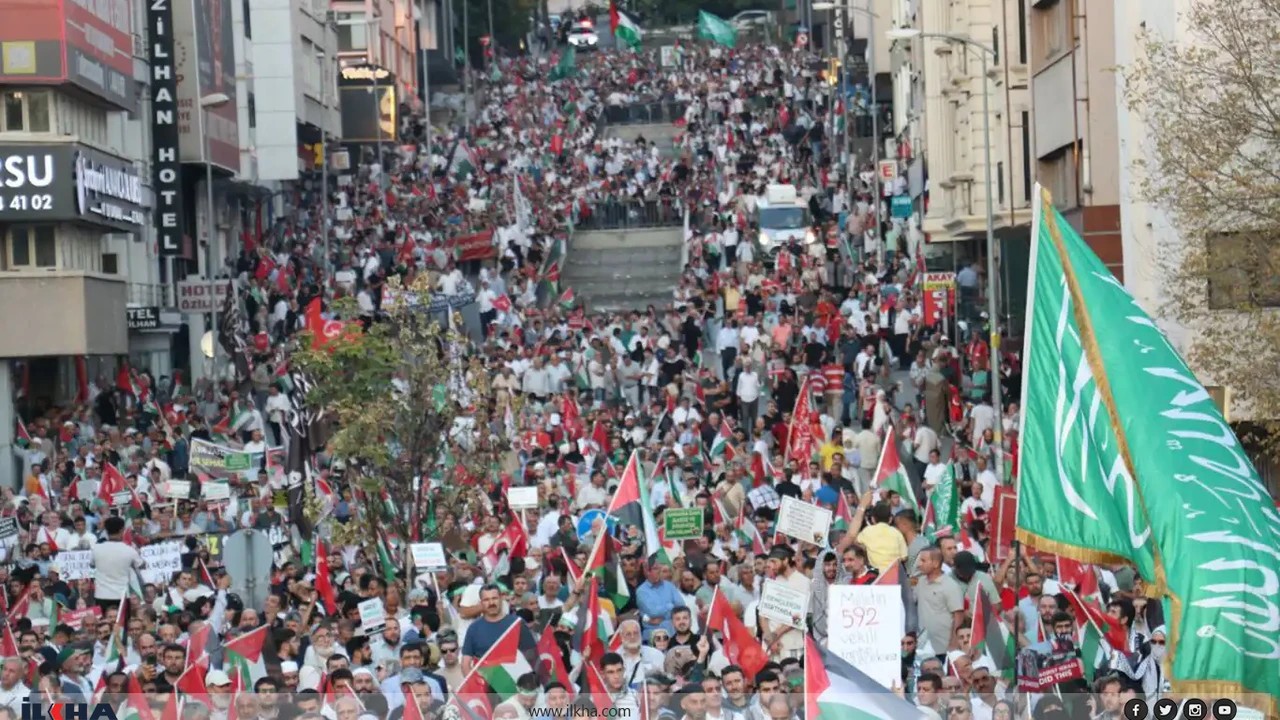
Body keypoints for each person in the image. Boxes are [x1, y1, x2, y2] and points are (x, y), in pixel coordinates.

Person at [91, 515, 144, 612]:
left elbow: (91, 564)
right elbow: (141, 565)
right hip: (121, 595)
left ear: (106, 530)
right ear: (122, 530)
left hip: (101, 595)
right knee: (121, 626)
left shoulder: (96, 549)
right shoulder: (129, 550)